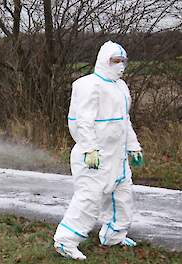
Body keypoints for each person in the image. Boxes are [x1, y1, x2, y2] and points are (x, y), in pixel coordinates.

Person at [53, 40, 144, 260]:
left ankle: (114, 235)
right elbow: (82, 121)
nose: (121, 66)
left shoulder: (120, 87)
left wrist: (133, 147)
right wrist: (90, 148)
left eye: (123, 61)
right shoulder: (88, 85)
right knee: (89, 199)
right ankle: (65, 241)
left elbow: (124, 120)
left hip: (117, 156)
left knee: (122, 197)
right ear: (104, 61)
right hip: (94, 156)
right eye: (116, 61)